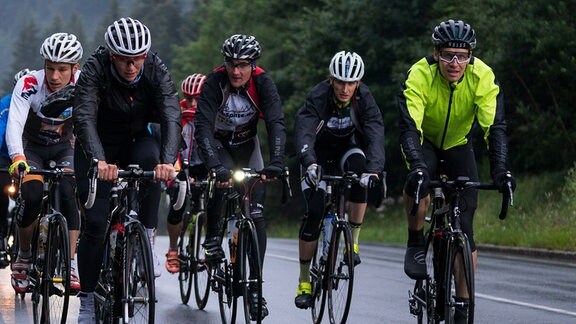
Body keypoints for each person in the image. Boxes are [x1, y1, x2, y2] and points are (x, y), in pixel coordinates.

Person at [398, 19, 516, 322]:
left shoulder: (482, 76)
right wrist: (417, 166)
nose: (455, 62)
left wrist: (501, 170)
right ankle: (415, 242)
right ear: (436, 54)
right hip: (426, 142)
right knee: (419, 184)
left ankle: (462, 305)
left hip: (458, 145)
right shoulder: (419, 74)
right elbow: (410, 127)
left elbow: (495, 128)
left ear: (470, 56)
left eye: (462, 56)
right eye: (448, 54)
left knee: (465, 224)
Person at [72, 17, 181, 323]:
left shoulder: (156, 69)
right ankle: (88, 303)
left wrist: (168, 161)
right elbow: (83, 117)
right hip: (97, 145)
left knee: (152, 159)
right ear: (111, 56)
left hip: (135, 139)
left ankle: (145, 236)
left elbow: (171, 115)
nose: (132, 67)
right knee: (95, 224)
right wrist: (98, 160)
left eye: (137, 60)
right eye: (124, 61)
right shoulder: (95, 69)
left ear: (146, 56)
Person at [194, 34, 286, 320]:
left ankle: (256, 290)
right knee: (221, 184)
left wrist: (278, 161)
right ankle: (212, 239)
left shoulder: (263, 83)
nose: (236, 71)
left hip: (248, 145)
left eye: (243, 65)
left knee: (256, 213)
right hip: (219, 144)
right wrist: (213, 165)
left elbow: (275, 122)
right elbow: (203, 127)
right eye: (231, 64)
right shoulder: (214, 82)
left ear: (253, 65)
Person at [292, 51, 386, 309]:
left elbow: (375, 133)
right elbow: (304, 132)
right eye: (340, 82)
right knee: (315, 211)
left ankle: (352, 243)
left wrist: (374, 170)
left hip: (348, 150)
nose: (345, 88)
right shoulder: (319, 97)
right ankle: (304, 281)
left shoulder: (364, 99)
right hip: (317, 156)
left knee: (360, 171)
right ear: (331, 79)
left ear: (358, 83)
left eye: (351, 83)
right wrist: (309, 163)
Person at [6, 33, 83, 294]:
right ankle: (24, 255)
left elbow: (93, 124)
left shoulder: (84, 85)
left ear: (75, 68)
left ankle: (70, 263)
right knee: (32, 193)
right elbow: (14, 123)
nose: (54, 76)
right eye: (50, 68)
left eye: (62, 69)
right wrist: (17, 157)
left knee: (68, 191)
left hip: (66, 146)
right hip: (33, 147)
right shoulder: (29, 83)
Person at [164, 73, 208, 274]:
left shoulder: (212, 114)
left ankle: (203, 245)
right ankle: (173, 248)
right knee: (178, 205)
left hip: (204, 165)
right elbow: (171, 146)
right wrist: (178, 171)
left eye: (197, 98)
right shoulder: (177, 113)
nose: (192, 103)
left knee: (212, 204)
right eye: (188, 98)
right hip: (180, 164)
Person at [0, 68, 35, 268]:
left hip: (32, 153)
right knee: (2, 190)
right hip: (6, 155)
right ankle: (1, 237)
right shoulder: (6, 104)